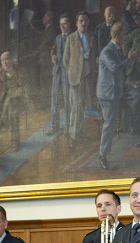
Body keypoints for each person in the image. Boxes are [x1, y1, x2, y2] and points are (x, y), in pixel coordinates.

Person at [96, 23, 140, 170]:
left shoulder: (117, 48)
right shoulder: (106, 52)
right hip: (108, 93)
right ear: (116, 36)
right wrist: (129, 59)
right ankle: (102, 154)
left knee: (137, 97)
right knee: (109, 124)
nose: (125, 38)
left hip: (119, 88)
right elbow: (115, 68)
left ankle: (134, 128)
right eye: (123, 35)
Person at [63, 11, 98, 147]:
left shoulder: (92, 36)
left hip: (88, 76)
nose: (84, 23)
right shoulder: (71, 38)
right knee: (75, 107)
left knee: (84, 105)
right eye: (81, 21)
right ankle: (73, 135)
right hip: (75, 78)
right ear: (77, 23)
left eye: (86, 21)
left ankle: (81, 134)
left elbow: (94, 54)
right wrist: (73, 71)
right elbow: (65, 60)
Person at [0, 51, 27, 149]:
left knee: (12, 106)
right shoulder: (0, 72)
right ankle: (15, 141)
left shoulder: (18, 71)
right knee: (11, 107)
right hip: (5, 101)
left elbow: (23, 85)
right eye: (2, 61)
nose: (5, 62)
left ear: (11, 60)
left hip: (19, 98)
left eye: (7, 59)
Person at [45, 14, 73, 136]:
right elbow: (54, 50)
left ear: (70, 24)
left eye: (65, 24)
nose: (62, 26)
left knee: (67, 101)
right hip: (57, 72)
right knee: (54, 100)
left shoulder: (74, 37)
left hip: (67, 74)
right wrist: (53, 56)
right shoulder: (57, 38)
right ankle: (54, 126)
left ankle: (68, 127)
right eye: (61, 24)